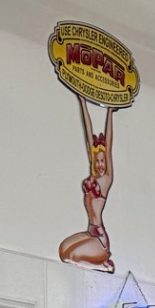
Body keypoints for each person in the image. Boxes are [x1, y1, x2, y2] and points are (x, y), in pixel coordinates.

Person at [58, 95, 117, 272]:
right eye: (97, 161)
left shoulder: (106, 180)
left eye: (102, 162)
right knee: (63, 252)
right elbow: (88, 135)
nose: (100, 165)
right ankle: (99, 262)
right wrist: (82, 102)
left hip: (99, 239)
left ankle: (104, 265)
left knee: (72, 257)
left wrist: (109, 113)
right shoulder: (92, 178)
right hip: (90, 231)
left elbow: (109, 143)